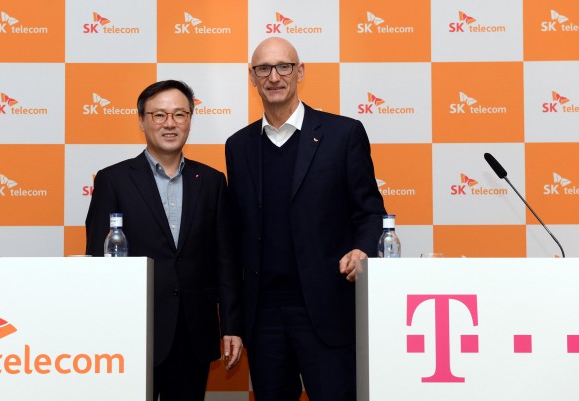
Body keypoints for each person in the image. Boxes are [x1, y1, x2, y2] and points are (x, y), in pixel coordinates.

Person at [225, 37, 386, 400]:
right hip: (263, 316)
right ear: (252, 78)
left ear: (300, 72)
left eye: (283, 66)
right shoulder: (238, 146)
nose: (274, 77)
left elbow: (371, 213)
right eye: (263, 69)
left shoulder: (343, 134)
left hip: (327, 309)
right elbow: (236, 236)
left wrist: (362, 249)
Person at [85, 80, 243, 401]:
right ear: (141, 121)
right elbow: (99, 262)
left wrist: (231, 325)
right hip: (132, 329)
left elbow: (226, 260)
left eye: (179, 114)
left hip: (193, 332)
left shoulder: (211, 181)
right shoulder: (113, 180)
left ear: (190, 121)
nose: (170, 124)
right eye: (159, 115)